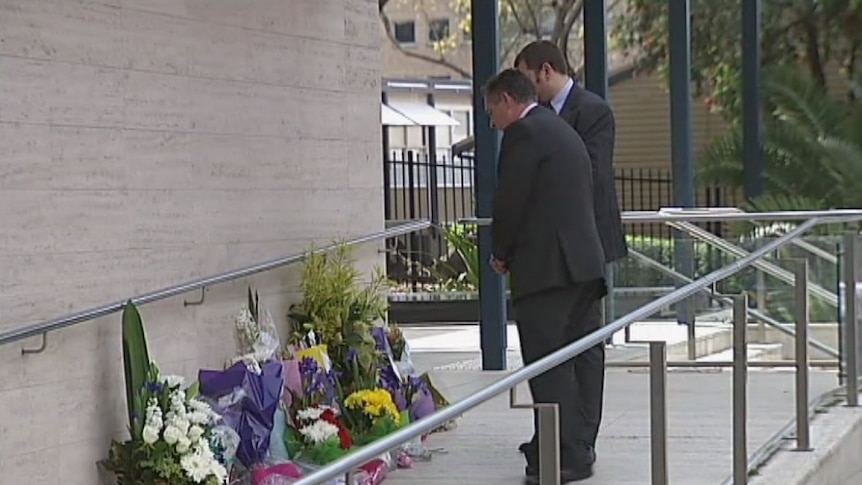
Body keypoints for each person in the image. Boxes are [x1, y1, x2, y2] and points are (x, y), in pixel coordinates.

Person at [484, 68, 607, 483]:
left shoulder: (524, 134)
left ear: (506, 100)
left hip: (549, 272)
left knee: (549, 364)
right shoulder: (559, 130)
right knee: (579, 361)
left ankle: (563, 456)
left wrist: (500, 253)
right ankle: (572, 446)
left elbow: (511, 200)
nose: (493, 123)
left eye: (492, 112)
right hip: (582, 266)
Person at [514, 40, 628, 461]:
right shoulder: (536, 118)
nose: (523, 89)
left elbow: (592, 177)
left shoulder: (593, 111)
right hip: (548, 255)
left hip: (587, 247)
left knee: (584, 343)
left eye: (526, 77)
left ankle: (582, 439)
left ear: (545, 71)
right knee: (551, 347)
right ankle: (552, 435)